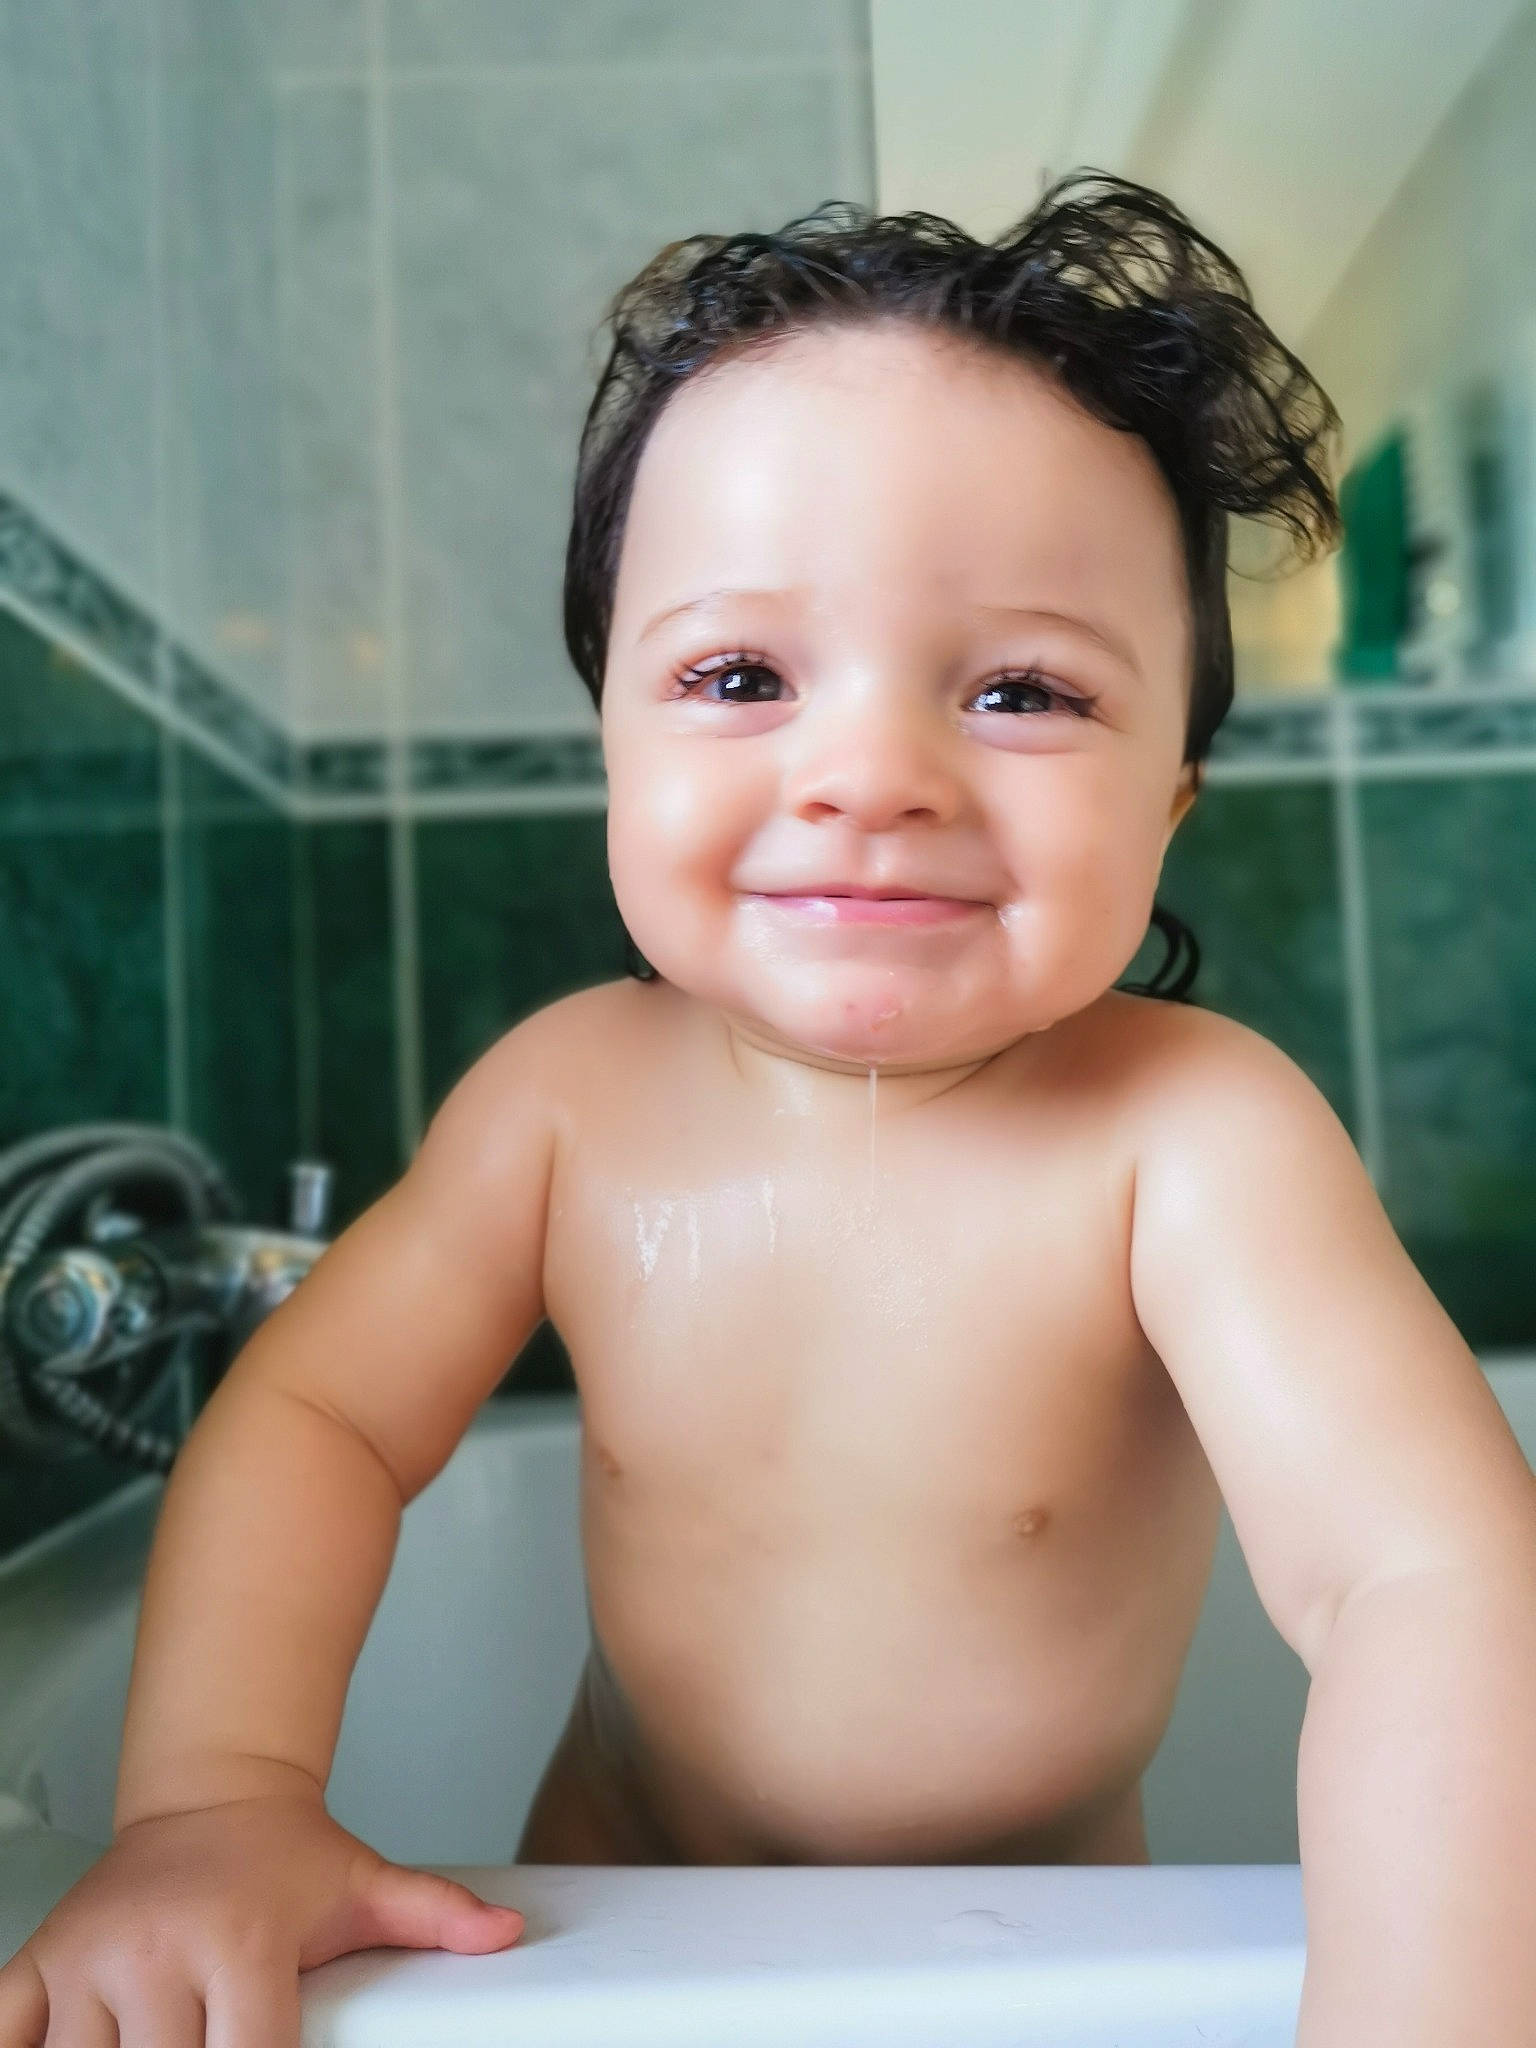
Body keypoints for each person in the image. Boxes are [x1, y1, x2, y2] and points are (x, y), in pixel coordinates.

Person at [4, 169, 1535, 2048]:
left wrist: (1427, 2006)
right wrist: (216, 1802)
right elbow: (317, 1413)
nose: (871, 773)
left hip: (1031, 1979)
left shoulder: (1195, 1141)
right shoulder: (566, 1104)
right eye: (739, 676)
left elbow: (1424, 1572)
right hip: (602, 1935)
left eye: (1024, 691)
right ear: (613, 744)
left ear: (1173, 797)